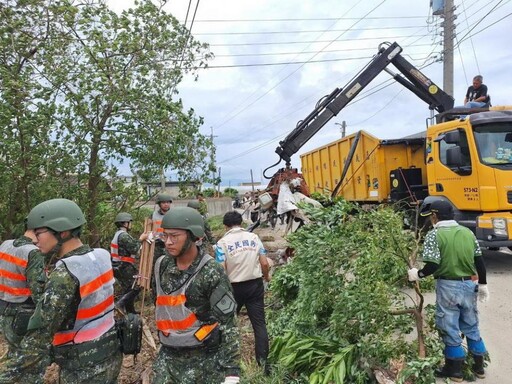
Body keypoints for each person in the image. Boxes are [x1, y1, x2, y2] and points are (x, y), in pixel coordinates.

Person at [0, 198, 122, 383]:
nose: (34, 238)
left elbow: (39, 338)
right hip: (110, 356)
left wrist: (6, 373)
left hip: (81, 368)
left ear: (62, 232)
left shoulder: (65, 272)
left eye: (39, 232)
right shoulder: (101, 255)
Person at [152, 207, 240, 384]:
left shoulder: (210, 272)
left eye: (174, 236)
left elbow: (228, 323)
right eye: (165, 236)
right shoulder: (162, 265)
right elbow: (161, 304)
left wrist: (231, 372)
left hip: (203, 360)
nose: (168, 242)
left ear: (193, 236)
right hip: (167, 358)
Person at [407, 200, 489, 382]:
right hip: (469, 285)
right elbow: (479, 262)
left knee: (449, 325)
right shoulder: (468, 233)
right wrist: (483, 285)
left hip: (448, 286)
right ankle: (479, 367)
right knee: (471, 323)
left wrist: (417, 274)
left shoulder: (434, 235)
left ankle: (454, 371)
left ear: (434, 216)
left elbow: (433, 265)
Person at [214, 211, 271, 372]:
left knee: (228, 324)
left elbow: (221, 268)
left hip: (233, 288)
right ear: (241, 223)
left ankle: (228, 363)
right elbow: (264, 263)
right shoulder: (254, 238)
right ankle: (264, 364)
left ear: (225, 226)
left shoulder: (222, 243)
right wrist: (266, 277)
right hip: (254, 285)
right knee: (259, 325)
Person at [0, 226, 46, 359]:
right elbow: (38, 291)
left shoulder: (6, 244)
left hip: (4, 308)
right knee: (27, 358)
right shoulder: (32, 252)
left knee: (14, 351)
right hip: (22, 311)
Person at [110, 212, 150, 313]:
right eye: (129, 222)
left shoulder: (118, 234)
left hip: (118, 266)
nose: (130, 224)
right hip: (124, 266)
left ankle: (130, 311)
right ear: (125, 224)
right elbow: (134, 248)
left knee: (128, 289)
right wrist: (141, 239)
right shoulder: (123, 235)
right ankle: (119, 304)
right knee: (138, 285)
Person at [151, 193, 173, 260]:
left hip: (171, 243)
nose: (166, 204)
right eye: (163, 202)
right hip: (158, 245)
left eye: (168, 202)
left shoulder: (174, 214)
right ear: (159, 204)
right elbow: (149, 229)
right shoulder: (153, 215)